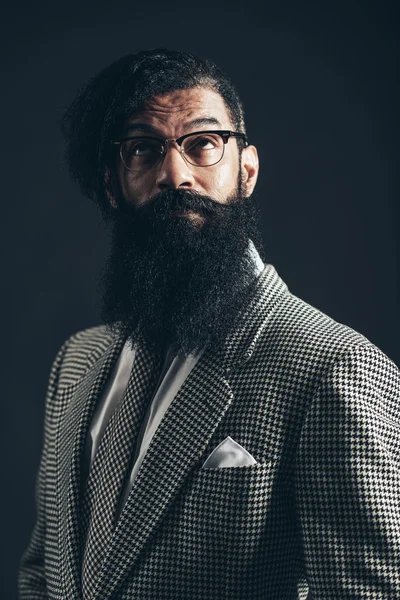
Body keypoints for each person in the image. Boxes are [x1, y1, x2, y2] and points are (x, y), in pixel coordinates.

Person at [18, 48, 400, 600]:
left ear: (246, 170)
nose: (175, 174)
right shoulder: (76, 361)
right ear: (112, 184)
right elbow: (40, 574)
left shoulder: (334, 367)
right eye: (144, 149)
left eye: (202, 144)